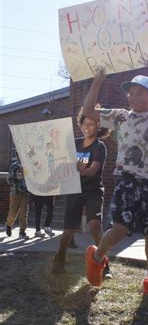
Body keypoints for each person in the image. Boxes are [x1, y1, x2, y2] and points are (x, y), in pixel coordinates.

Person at [82, 53, 148, 297]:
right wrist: (98, 80)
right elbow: (87, 111)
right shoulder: (121, 116)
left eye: (139, 92)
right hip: (127, 178)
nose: (134, 97)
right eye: (131, 93)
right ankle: (97, 256)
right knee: (121, 227)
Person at [52, 107, 111, 275]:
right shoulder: (74, 143)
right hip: (74, 189)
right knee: (69, 229)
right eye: (85, 123)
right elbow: (60, 164)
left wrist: (77, 169)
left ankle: (104, 265)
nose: (87, 126)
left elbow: (92, 170)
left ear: (99, 127)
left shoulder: (100, 148)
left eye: (92, 124)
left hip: (93, 190)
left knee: (94, 225)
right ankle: (60, 259)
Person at [5, 158, 30, 239]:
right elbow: (9, 179)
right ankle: (9, 224)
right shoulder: (14, 166)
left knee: (24, 213)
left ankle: (22, 232)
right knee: (13, 213)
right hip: (15, 193)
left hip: (25, 193)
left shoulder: (29, 166)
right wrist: (15, 187)